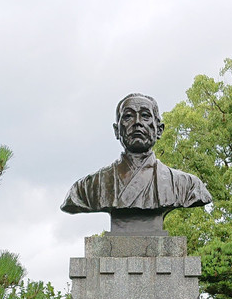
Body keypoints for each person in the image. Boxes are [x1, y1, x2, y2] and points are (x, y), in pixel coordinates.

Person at [61, 93, 212, 217]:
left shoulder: (187, 186)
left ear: (159, 130)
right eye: (128, 117)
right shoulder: (87, 188)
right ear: (116, 130)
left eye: (145, 116)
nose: (137, 122)